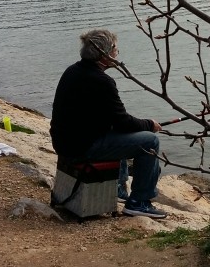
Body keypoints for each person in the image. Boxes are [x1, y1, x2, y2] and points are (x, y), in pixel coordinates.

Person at [50, 29, 167, 219]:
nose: (117, 53)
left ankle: (119, 190)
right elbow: (123, 122)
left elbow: (112, 119)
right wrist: (149, 124)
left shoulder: (72, 71)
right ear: (104, 54)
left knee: (119, 134)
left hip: (65, 142)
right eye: (115, 49)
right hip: (82, 147)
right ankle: (139, 202)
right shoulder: (102, 81)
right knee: (150, 141)